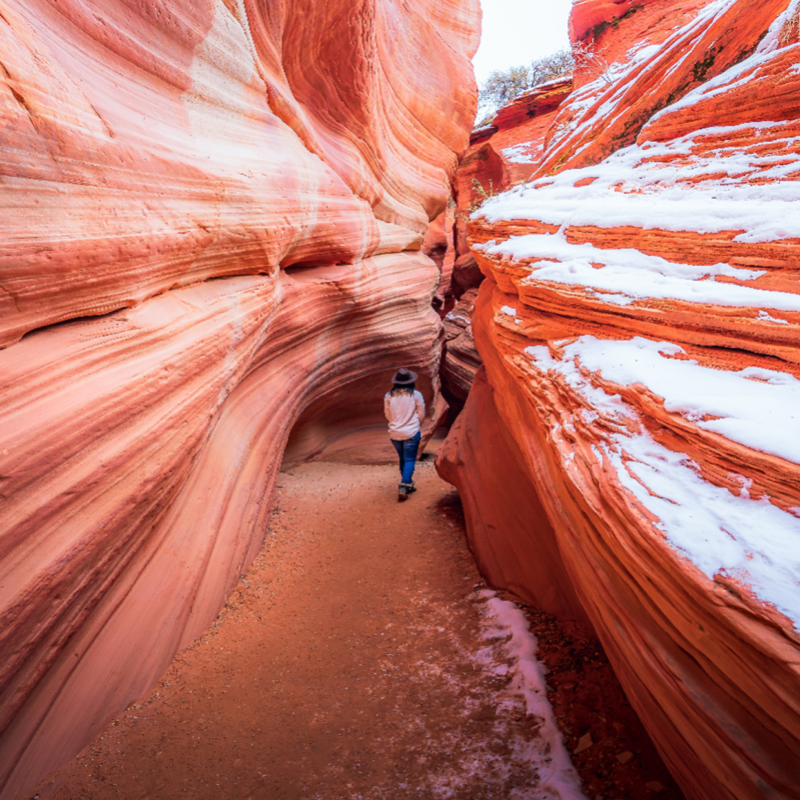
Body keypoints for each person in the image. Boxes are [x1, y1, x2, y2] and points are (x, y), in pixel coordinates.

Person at [384, 368, 426, 502]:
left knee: (403, 458)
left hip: (395, 432)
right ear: (411, 381)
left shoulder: (389, 396)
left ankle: (406, 483)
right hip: (411, 431)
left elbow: (388, 414)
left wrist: (396, 423)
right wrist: (415, 423)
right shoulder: (415, 395)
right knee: (409, 459)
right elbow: (421, 413)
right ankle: (404, 485)